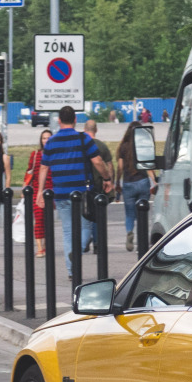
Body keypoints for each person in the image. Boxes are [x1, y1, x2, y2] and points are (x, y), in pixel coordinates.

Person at [40, 106, 113, 277]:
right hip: (81, 192)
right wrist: (107, 178)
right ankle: (77, 252)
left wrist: (40, 192)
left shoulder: (51, 141)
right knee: (86, 225)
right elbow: (97, 161)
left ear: (59, 121)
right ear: (75, 120)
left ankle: (72, 270)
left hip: (60, 192)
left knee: (67, 231)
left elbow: (43, 168)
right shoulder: (84, 139)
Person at [116, 121, 158, 252]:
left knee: (129, 213)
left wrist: (117, 181)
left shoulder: (123, 147)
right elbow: (149, 166)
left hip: (128, 183)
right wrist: (154, 181)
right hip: (142, 181)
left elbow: (120, 167)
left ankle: (129, 232)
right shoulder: (143, 146)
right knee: (142, 212)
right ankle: (142, 240)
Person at [83, 118, 116, 249]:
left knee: (85, 213)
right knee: (97, 215)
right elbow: (109, 165)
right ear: (96, 130)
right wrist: (110, 181)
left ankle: (84, 241)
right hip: (100, 184)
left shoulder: (83, 145)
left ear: (85, 130)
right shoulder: (102, 146)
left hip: (85, 184)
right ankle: (97, 243)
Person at [25, 128, 53, 257]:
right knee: (39, 217)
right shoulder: (35, 154)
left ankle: (47, 246)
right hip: (37, 189)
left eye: (48, 138)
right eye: (44, 138)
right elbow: (29, 170)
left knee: (48, 218)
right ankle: (39, 247)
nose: (46, 140)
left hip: (52, 189)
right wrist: (25, 186)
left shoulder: (55, 154)